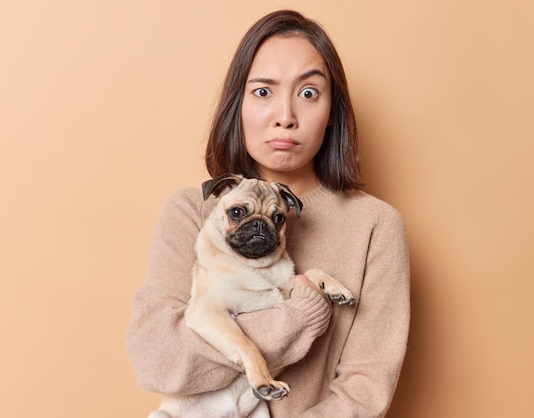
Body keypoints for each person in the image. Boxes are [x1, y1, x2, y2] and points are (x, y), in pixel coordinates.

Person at [126, 9, 410, 417]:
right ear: (237, 104)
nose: (285, 116)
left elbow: (365, 391)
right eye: (263, 91)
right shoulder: (194, 211)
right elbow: (158, 362)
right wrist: (294, 318)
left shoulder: (375, 226)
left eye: (308, 93)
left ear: (333, 112)